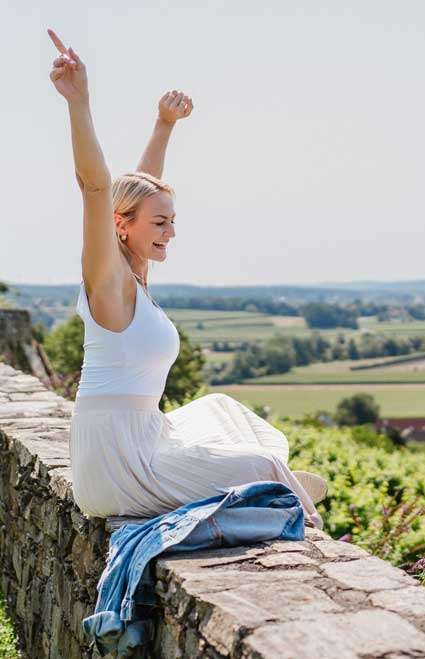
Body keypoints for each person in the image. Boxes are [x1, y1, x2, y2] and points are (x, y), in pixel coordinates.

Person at [47, 28, 327, 529]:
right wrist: (78, 101)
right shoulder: (108, 286)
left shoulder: (137, 276)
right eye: (161, 224)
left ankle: (264, 485)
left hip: (144, 436)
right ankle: (277, 492)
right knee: (261, 463)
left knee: (222, 409)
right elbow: (97, 188)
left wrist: (163, 123)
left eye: (172, 220)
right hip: (118, 461)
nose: (171, 232)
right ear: (121, 225)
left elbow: (140, 189)